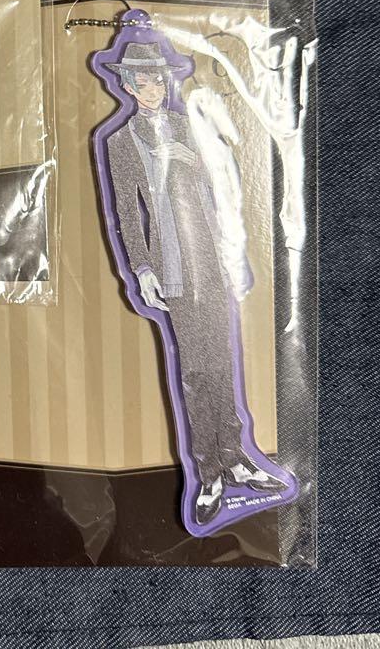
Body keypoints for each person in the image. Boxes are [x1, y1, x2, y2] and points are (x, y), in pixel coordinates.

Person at [104, 42, 285, 525]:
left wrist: (190, 157)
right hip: (174, 268)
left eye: (158, 79)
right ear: (127, 86)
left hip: (213, 260)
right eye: (142, 81)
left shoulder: (189, 125)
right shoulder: (121, 141)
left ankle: (237, 458)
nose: (152, 89)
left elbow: (227, 184)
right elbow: (127, 212)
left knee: (222, 359)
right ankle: (208, 473)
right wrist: (142, 271)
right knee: (196, 369)